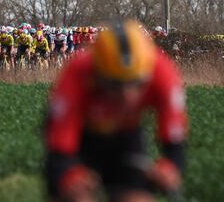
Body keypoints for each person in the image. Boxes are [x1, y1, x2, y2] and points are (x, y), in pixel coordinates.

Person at [44, 20, 188, 202]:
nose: (127, 96)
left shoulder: (163, 73)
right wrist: (68, 175)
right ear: (98, 74)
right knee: (75, 196)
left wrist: (170, 166)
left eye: (137, 84)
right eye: (116, 84)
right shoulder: (78, 72)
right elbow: (59, 143)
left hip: (126, 135)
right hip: (81, 135)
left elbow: (174, 139)